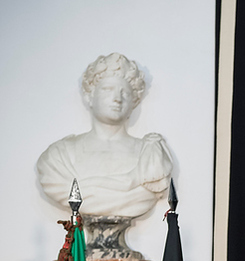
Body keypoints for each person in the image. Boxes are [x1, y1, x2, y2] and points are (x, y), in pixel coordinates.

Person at [37, 52, 173, 218]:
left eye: (125, 92)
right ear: (89, 96)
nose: (117, 98)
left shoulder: (150, 155)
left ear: (134, 101)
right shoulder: (59, 156)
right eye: (108, 89)